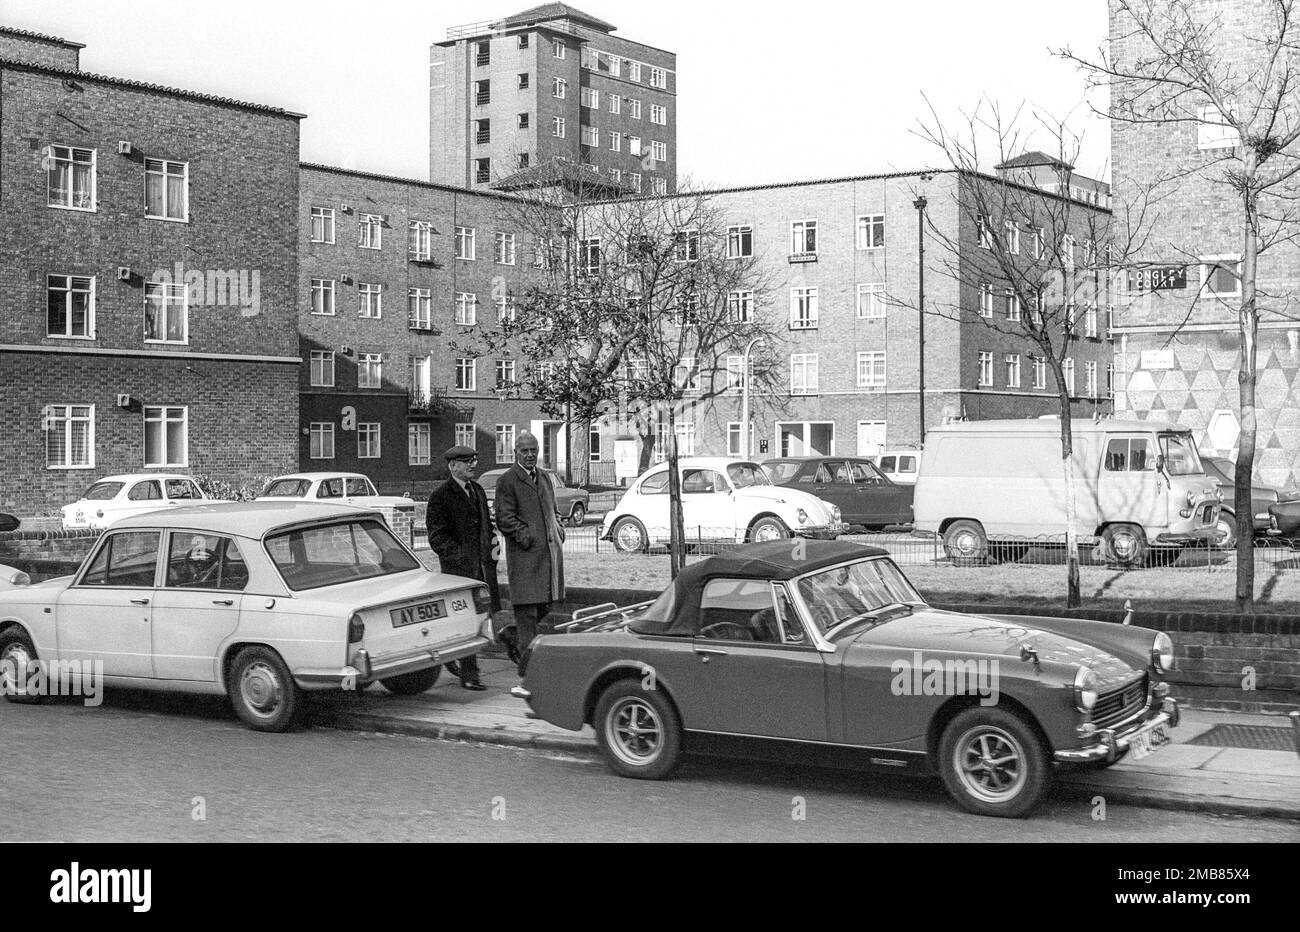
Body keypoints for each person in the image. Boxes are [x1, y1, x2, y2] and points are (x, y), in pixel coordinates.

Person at [425, 444, 500, 690]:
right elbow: (437, 537)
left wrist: (492, 551)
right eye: (466, 462)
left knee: (483, 617)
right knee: (466, 619)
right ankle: (470, 674)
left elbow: (486, 526)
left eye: (473, 461)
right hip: (457, 572)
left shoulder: (477, 490)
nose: (472, 466)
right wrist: (460, 557)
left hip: (481, 568)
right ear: (452, 466)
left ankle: (455, 660)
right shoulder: (441, 496)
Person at [494, 430, 566, 674]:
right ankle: (529, 673)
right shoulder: (507, 480)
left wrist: (559, 529)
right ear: (515, 453)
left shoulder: (544, 477)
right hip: (525, 560)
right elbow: (504, 519)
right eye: (524, 451)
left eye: (533, 450)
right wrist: (527, 537)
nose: (529, 455)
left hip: (548, 558)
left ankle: (513, 635)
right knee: (527, 612)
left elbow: (554, 509)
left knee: (545, 605)